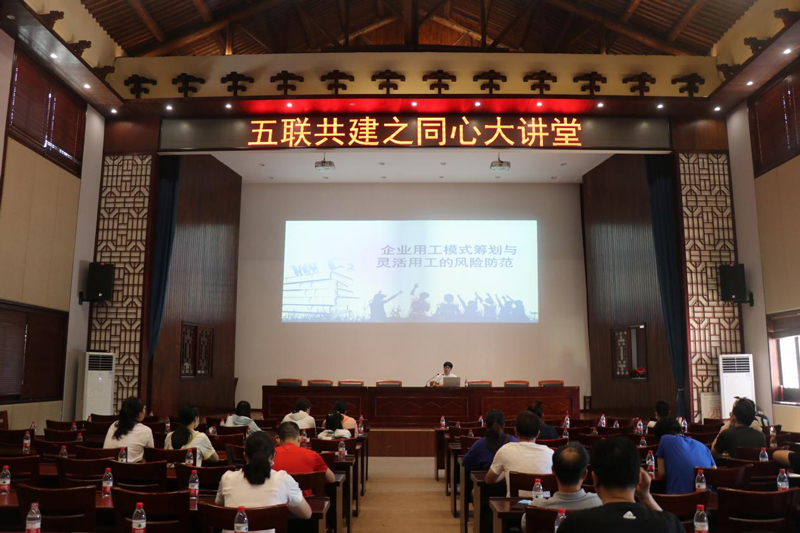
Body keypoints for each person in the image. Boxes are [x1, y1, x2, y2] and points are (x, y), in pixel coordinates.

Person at [557, 438, 684, 533]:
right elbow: (669, 525)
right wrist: (646, 497)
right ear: (639, 479)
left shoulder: (574, 524)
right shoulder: (670, 524)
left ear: (594, 479)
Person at [216, 432, 311, 533]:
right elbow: (306, 514)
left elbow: (219, 504)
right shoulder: (283, 479)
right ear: (273, 456)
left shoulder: (227, 478)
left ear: (245, 455)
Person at [520, 443, 602, 531]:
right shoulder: (600, 504)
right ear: (585, 474)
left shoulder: (536, 507)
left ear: (553, 471)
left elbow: (525, 528)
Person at [485, 411, 554, 496]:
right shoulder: (551, 453)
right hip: (543, 504)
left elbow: (489, 480)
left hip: (514, 504)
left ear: (515, 431)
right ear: (538, 434)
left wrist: (504, 472)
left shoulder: (505, 450)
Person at [653, 418, 715, 494]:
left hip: (678, 498)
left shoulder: (665, 439)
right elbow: (714, 471)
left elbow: (662, 474)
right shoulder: (703, 446)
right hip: (707, 497)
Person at [273, 422, 335, 491]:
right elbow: (331, 479)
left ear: (278, 439)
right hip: (305, 497)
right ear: (299, 438)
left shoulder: (268, 456)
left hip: (276, 497)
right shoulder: (312, 455)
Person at [103, 397, 154, 463]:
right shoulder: (146, 431)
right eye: (144, 408)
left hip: (108, 467)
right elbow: (151, 456)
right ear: (139, 414)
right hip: (131, 469)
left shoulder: (114, 425)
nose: (145, 409)